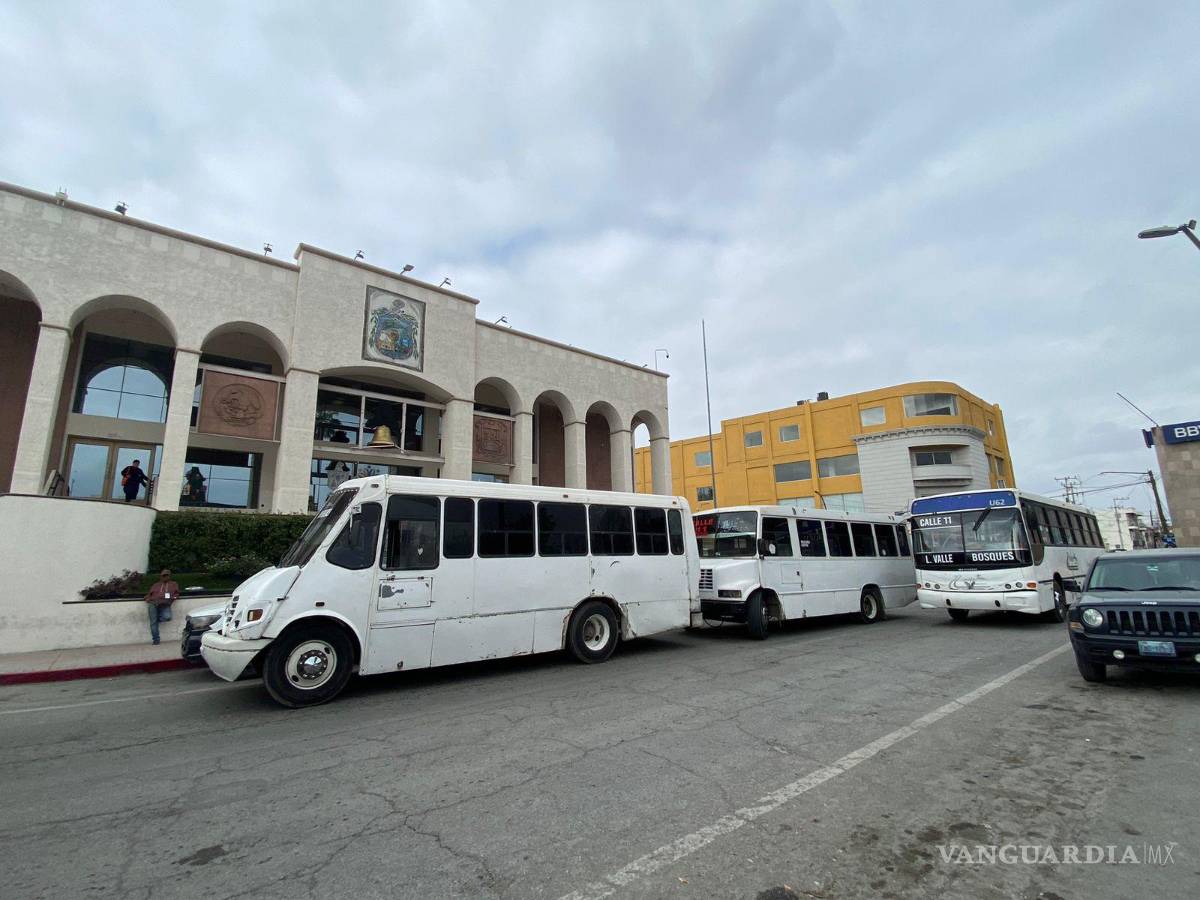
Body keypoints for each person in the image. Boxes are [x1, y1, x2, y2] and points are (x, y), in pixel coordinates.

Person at [144, 569, 180, 645]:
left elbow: (176, 593)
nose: (165, 577)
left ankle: (158, 618)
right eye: (163, 576)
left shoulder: (173, 584)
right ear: (161, 576)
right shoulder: (156, 585)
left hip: (165, 604)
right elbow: (149, 594)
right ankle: (156, 640)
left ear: (169, 576)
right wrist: (147, 598)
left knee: (167, 617)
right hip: (153, 604)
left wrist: (174, 598)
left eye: (166, 575)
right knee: (153, 623)